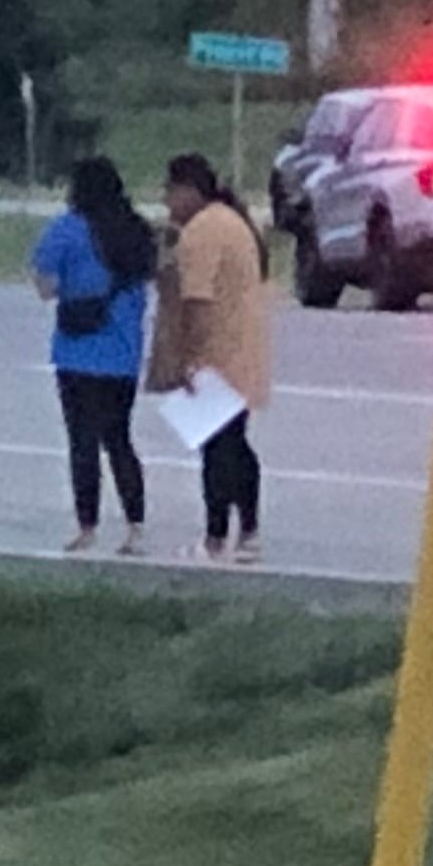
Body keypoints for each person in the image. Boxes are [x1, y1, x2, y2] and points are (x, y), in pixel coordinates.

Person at [145, 150, 271, 565]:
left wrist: (190, 359)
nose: (167, 201)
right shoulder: (234, 222)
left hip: (215, 356)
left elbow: (195, 300)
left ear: (188, 190)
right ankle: (249, 531)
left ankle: (216, 537)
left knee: (216, 450)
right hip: (244, 352)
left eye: (170, 191)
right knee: (236, 445)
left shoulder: (200, 232)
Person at [31, 154, 155, 554]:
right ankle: (136, 527)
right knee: (119, 439)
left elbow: (45, 287)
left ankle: (87, 527)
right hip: (124, 354)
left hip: (76, 354)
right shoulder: (137, 231)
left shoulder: (66, 230)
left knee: (82, 442)